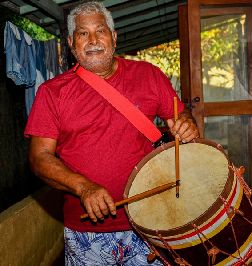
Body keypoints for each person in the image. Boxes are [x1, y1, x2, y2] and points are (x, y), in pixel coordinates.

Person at [25, 1, 199, 265]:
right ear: (72, 43)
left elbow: (180, 115)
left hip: (151, 222)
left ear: (114, 38)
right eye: (83, 33)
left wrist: (186, 123)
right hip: (87, 235)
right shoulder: (52, 93)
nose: (93, 40)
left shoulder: (149, 75)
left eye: (101, 31)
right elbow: (39, 158)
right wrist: (83, 188)